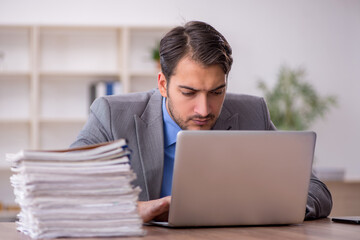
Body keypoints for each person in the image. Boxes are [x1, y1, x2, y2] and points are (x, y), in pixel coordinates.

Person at [70, 21, 332, 223]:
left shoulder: (253, 114)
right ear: (163, 84)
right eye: (189, 92)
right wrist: (131, 208)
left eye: (217, 92)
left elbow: (316, 191)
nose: (204, 109)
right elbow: (62, 189)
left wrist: (259, 207)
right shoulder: (111, 115)